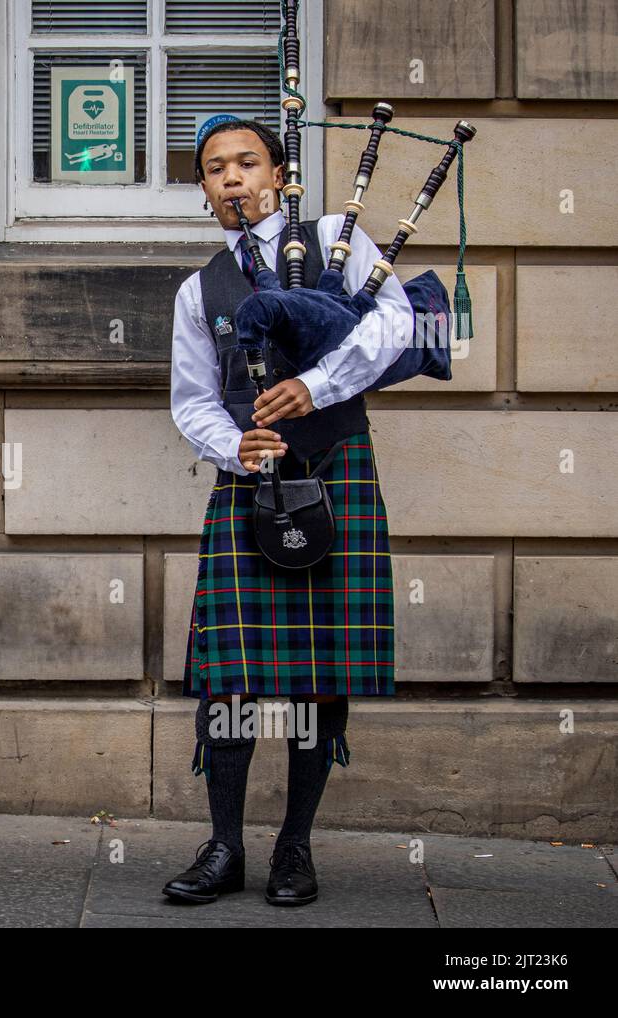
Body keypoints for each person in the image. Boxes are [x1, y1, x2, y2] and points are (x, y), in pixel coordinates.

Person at [163, 115, 412, 906]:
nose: (232, 176)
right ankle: (225, 846)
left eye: (247, 162)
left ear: (279, 174)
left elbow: (398, 325)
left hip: (337, 466)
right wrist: (230, 445)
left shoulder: (338, 238)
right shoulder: (199, 289)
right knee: (229, 678)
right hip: (251, 483)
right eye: (215, 169)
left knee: (319, 676)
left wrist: (317, 385)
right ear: (204, 191)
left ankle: (295, 849)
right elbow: (193, 399)